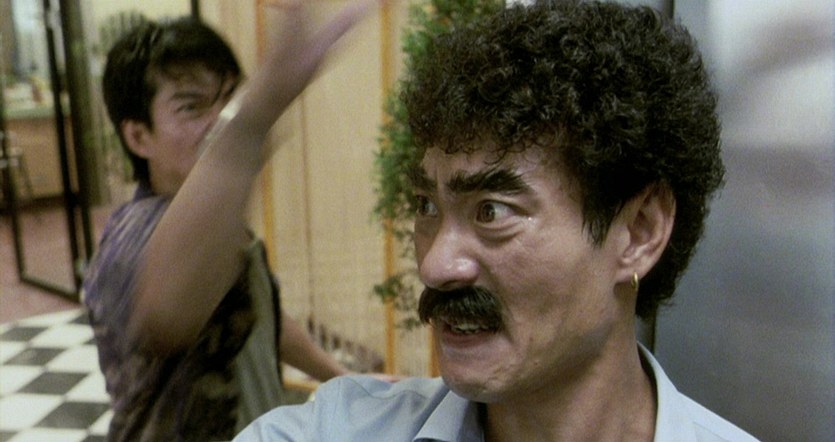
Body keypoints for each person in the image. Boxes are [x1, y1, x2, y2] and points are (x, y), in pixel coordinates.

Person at [234, 1, 760, 441]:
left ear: (639, 232)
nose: (436, 266)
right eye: (426, 207)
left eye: (492, 212)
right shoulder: (339, 430)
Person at [81, 2, 376, 440]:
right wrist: (254, 116)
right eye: (192, 107)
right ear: (138, 137)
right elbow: (168, 310)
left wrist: (341, 377)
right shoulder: (134, 234)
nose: (219, 121)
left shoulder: (219, 224)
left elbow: (259, 313)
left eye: (229, 100)